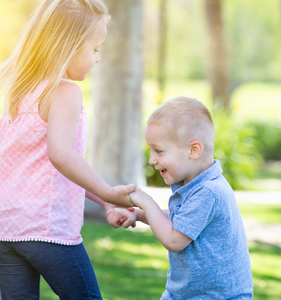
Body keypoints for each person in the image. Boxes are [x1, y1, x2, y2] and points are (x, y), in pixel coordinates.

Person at [0, 1, 135, 299]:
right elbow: (61, 156)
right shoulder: (64, 92)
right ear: (69, 46)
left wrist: (106, 201)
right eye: (95, 49)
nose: (98, 58)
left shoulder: (20, 90)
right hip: (44, 226)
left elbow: (53, 168)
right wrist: (112, 194)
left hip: (3, 225)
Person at [107, 97, 254, 299]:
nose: (152, 160)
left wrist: (145, 201)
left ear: (193, 150)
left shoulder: (209, 191)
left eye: (158, 151)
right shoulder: (195, 185)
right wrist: (139, 215)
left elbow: (174, 240)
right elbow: (182, 218)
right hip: (185, 293)